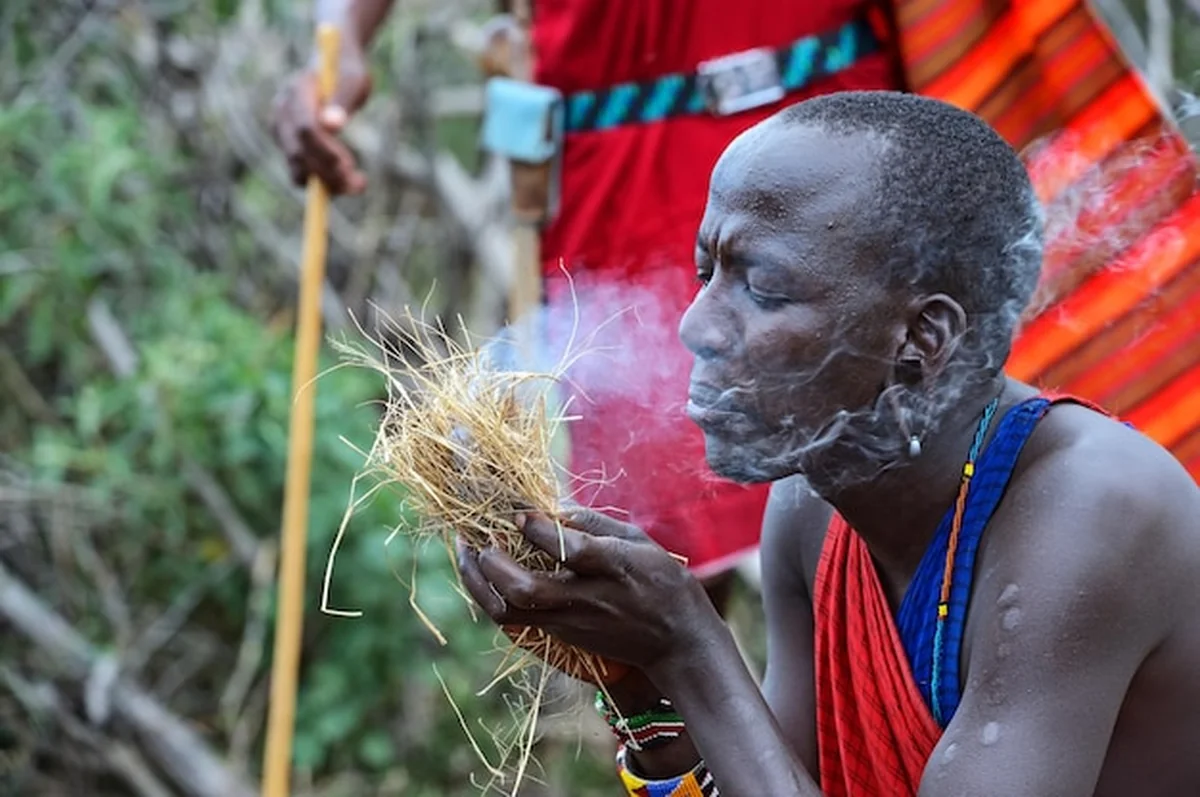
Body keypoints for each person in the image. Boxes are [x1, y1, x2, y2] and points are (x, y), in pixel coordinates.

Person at [455, 92, 1200, 796]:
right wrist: (638, 682)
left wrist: (687, 641)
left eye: (764, 289)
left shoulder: (1090, 515)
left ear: (921, 336)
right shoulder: (812, 506)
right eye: (707, 272)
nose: (695, 327)